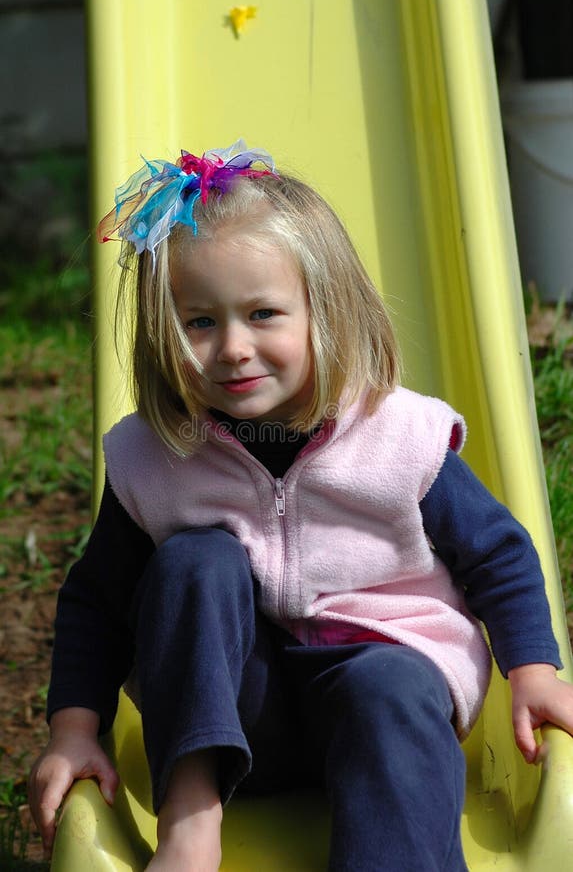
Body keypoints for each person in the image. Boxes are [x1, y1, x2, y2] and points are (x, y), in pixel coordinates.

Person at [28, 140, 573, 871]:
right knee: (194, 561)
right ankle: (191, 821)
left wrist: (533, 671)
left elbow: (496, 553)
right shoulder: (158, 458)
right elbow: (95, 602)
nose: (233, 348)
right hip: (236, 719)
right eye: (200, 322)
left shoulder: (397, 437)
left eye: (262, 314)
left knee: (392, 685)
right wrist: (72, 729)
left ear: (327, 312)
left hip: (379, 699)